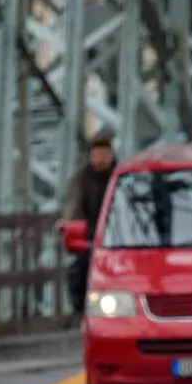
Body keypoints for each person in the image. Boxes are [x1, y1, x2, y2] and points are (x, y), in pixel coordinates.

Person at [63, 131, 117, 322]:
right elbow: (73, 205)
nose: (101, 159)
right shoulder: (81, 179)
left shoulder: (119, 178)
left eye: (104, 154)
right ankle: (80, 311)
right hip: (90, 236)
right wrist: (69, 224)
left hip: (118, 236)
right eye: (97, 154)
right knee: (79, 268)